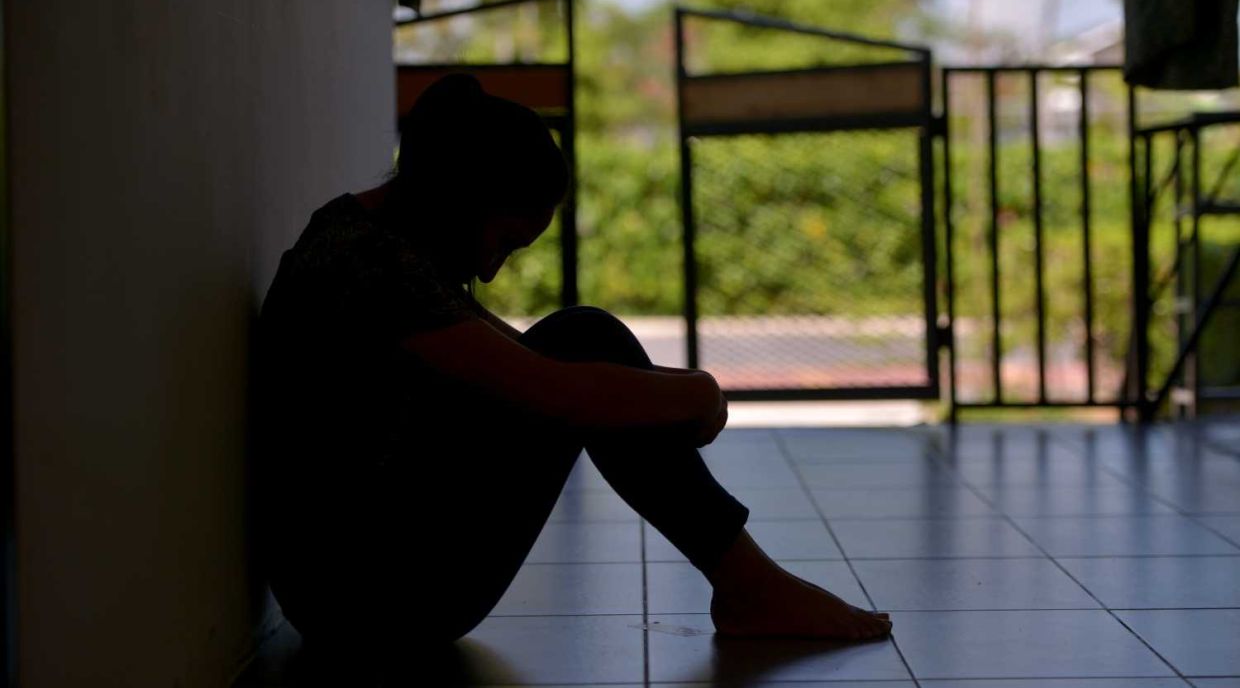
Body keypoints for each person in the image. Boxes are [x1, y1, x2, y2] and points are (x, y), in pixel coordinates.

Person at [253, 74, 891, 649]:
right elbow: (556, 389)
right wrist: (699, 392)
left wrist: (671, 390)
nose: (489, 271)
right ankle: (751, 585)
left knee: (585, 341)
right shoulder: (371, 265)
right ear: (464, 198)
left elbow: (515, 353)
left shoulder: (366, 235)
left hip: (361, 579)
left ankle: (749, 584)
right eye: (503, 242)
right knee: (587, 341)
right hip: (369, 601)